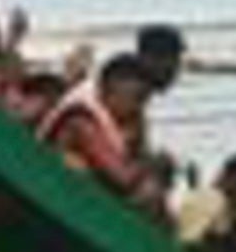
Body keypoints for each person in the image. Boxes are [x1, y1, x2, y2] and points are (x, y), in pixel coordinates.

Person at [43, 54, 167, 221]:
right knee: (149, 190)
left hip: (83, 196)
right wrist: (155, 163)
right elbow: (122, 178)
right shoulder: (81, 121)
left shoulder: (121, 119)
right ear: (108, 88)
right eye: (137, 99)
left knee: (152, 189)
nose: (139, 108)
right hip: (58, 197)